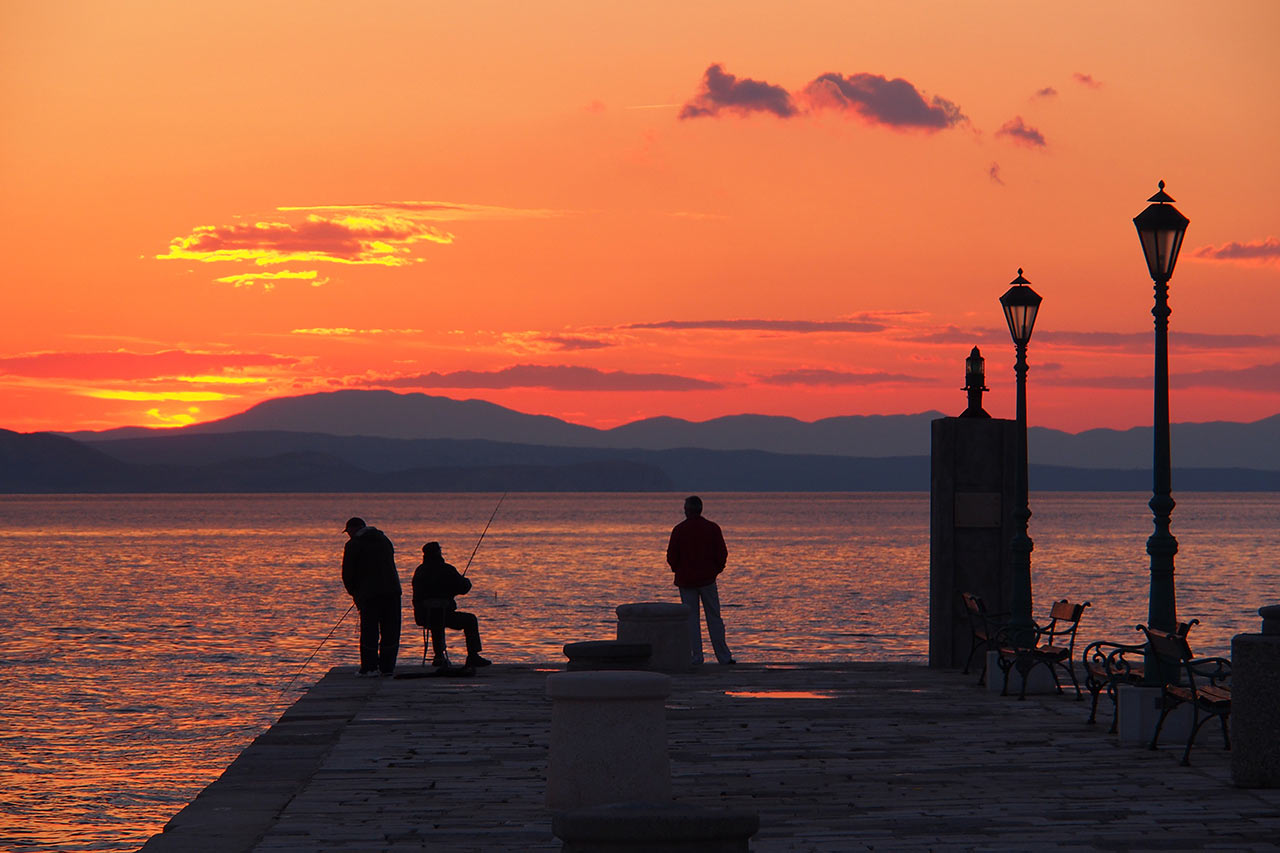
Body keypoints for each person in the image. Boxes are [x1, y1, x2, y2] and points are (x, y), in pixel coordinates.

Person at [666, 495, 735, 665]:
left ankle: (696, 657)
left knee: (692, 620)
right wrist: (715, 571)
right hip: (707, 580)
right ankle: (723, 656)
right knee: (714, 618)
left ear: (687, 510)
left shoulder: (679, 530)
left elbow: (671, 556)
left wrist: (679, 570)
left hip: (686, 581)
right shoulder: (712, 528)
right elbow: (722, 553)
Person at [412, 541, 491, 669]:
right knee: (470, 620)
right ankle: (473, 655)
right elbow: (464, 588)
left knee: (436, 619)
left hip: (423, 616)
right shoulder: (447, 569)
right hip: (444, 615)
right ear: (438, 552)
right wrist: (465, 582)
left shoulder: (420, 571)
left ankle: (439, 656)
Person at [341, 516, 402, 676]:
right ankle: (387, 667)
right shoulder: (384, 540)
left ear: (354, 529)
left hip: (369, 595)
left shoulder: (353, 545)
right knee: (391, 630)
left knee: (369, 631)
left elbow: (348, 574)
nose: (348, 535)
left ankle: (369, 668)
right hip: (392, 592)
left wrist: (354, 593)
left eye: (349, 531)